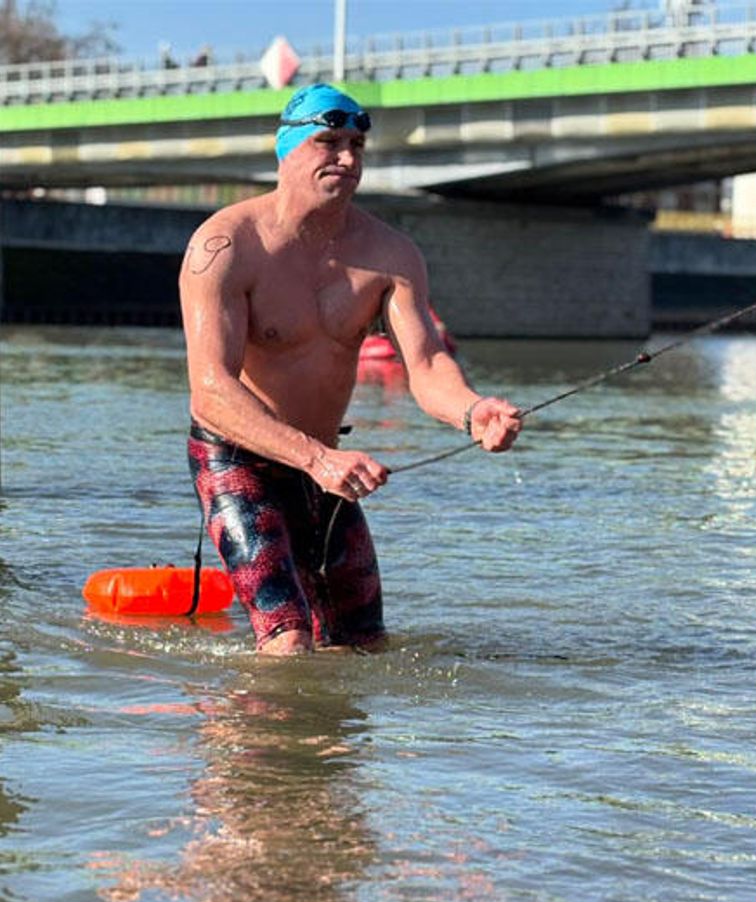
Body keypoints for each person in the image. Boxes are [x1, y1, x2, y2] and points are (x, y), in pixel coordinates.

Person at [179, 83, 522, 655]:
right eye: (328, 142)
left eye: (357, 145)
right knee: (288, 640)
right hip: (238, 456)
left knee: (363, 646)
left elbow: (429, 365)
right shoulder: (226, 244)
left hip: (328, 464)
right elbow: (210, 391)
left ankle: (335, 746)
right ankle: (248, 743)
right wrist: (317, 459)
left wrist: (473, 410)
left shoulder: (390, 254)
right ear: (286, 150)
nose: (347, 158)